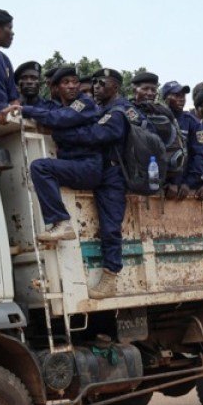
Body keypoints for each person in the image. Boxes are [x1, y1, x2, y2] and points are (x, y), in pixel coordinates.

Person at [50, 68, 152, 299]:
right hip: (97, 170)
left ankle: (111, 275)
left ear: (115, 86)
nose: (96, 86)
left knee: (110, 227)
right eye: (94, 82)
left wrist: (63, 135)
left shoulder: (121, 110)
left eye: (101, 83)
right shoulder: (101, 109)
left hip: (114, 174)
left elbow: (97, 136)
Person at [21, 65, 101, 243]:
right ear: (55, 88)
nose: (72, 86)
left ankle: (61, 222)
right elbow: (56, 115)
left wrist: (24, 110)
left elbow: (60, 118)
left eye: (75, 82)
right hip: (77, 166)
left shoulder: (84, 103)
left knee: (40, 167)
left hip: (89, 166)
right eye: (66, 82)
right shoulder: (61, 108)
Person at [162, 81, 203, 200]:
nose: (182, 99)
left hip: (182, 183)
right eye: (177, 95)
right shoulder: (155, 119)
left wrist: (188, 183)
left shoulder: (192, 122)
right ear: (166, 98)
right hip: (158, 183)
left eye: (183, 96)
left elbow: (201, 155)